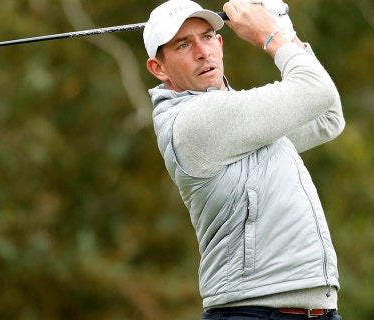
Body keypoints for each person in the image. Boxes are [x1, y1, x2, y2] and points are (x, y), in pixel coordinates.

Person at [143, 0, 345, 319]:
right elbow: (315, 93)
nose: (202, 52)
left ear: (220, 43)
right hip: (252, 312)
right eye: (183, 44)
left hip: (313, 311)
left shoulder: (242, 120)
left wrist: (280, 22)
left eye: (207, 37)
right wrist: (271, 33)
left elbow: (328, 116)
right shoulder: (193, 122)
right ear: (159, 68)